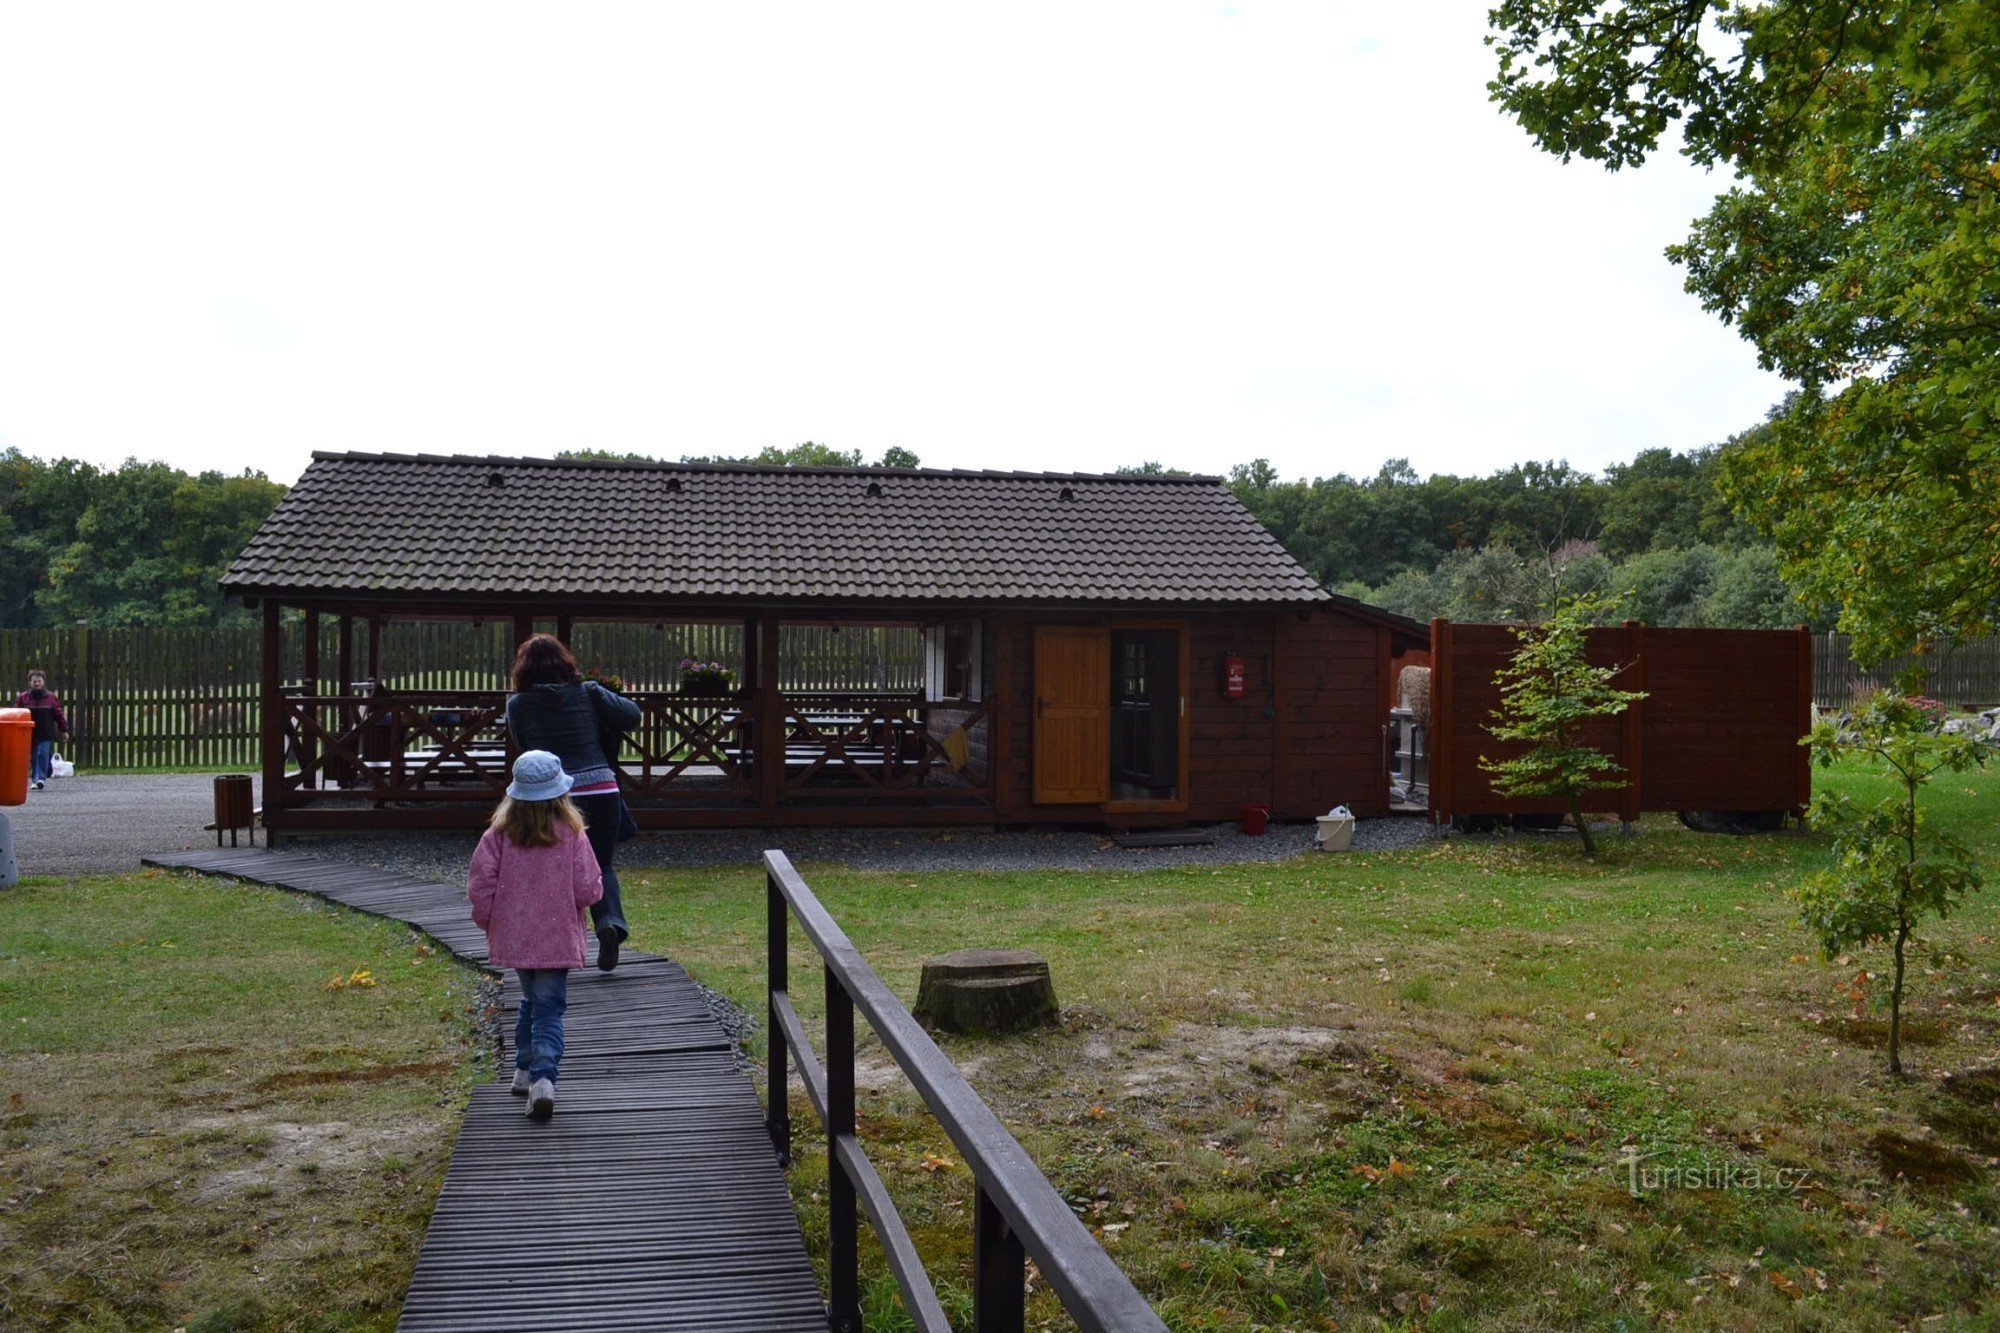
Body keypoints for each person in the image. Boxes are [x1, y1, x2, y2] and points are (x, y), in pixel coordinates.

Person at [467, 750, 604, 1121]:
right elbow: (588, 889)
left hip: (516, 938)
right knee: (548, 1009)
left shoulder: (497, 836)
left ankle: (523, 1069)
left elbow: (481, 885)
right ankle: (544, 1078)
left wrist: (487, 920)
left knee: (530, 1000)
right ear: (561, 796)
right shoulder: (572, 835)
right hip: (556, 939)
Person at [504, 634, 641, 970]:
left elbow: (526, 749)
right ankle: (610, 923)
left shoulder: (517, 705)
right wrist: (599, 694)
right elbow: (632, 716)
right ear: (565, 662)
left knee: (556, 867)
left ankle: (557, 945)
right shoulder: (589, 693)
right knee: (602, 864)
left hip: (554, 795)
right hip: (602, 788)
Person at [15, 669, 70, 792]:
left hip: (46, 733)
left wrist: (64, 730)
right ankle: (35, 780)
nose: (37, 684)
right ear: (30, 683)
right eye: (34, 681)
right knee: (34, 758)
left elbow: (58, 714)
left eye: (39, 681)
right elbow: (17, 714)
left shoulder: (51, 697)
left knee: (42, 753)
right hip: (30, 733)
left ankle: (41, 779)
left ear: (43, 682)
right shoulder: (23, 698)